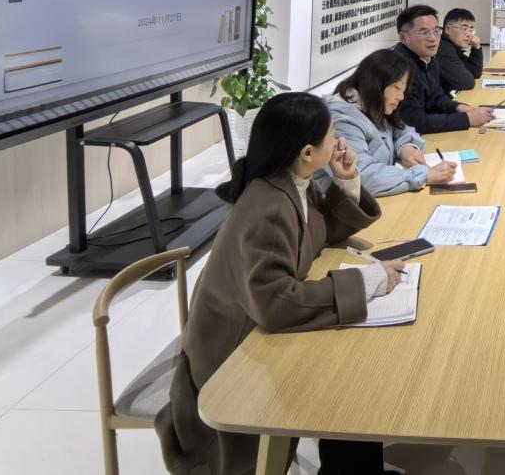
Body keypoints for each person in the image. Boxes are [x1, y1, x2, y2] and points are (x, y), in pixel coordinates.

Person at [157, 92, 403, 475]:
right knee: (345, 383)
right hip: (231, 363)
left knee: (347, 374)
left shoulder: (291, 182)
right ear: (307, 153)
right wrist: (367, 281)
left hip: (252, 339)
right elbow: (276, 304)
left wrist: (346, 180)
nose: (339, 141)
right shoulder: (268, 206)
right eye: (332, 134)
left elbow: (316, 233)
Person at [329, 48, 455, 196]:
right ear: (375, 82)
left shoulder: (373, 104)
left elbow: (401, 128)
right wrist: (424, 175)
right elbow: (359, 175)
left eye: (403, 90)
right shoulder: (342, 119)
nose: (401, 97)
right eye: (397, 88)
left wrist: (406, 147)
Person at [393, 5, 496, 134]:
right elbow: (416, 123)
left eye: (436, 30)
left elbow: (436, 97)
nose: (433, 38)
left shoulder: (427, 57)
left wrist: (461, 108)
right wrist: (468, 119)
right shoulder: (398, 69)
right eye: (424, 32)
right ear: (403, 37)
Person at [436, 7, 484, 92]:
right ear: (448, 29)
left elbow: (475, 73)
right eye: (464, 28)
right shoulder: (443, 49)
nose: (468, 34)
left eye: (471, 29)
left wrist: (476, 48)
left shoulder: (453, 47)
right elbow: (466, 83)